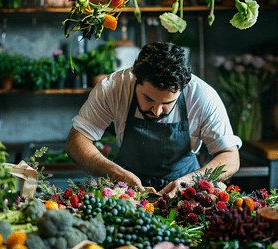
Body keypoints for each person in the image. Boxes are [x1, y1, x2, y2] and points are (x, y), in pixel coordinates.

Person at [66, 41, 242, 198]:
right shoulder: (113, 88)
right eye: (149, 99)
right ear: (135, 77)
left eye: (167, 103)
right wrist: (116, 173)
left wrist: (191, 181)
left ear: (183, 87)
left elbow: (230, 156)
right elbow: (76, 141)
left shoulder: (203, 95)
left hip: (185, 196)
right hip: (126, 194)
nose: (157, 112)